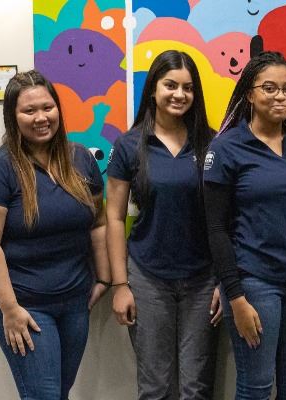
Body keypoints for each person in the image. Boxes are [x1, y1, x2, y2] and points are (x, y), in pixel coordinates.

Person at [0, 70, 109, 399]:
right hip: (25, 304)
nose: (41, 117)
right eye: (29, 110)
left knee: (59, 391)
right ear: (12, 116)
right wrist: (10, 309)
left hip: (75, 300)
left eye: (47, 107)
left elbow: (98, 221)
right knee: (43, 395)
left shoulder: (80, 159)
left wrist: (103, 278)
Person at [203, 51, 286, 400]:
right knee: (256, 387)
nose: (281, 96)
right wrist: (236, 297)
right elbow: (215, 228)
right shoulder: (226, 148)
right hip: (254, 284)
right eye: (270, 88)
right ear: (249, 93)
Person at [105, 50, 218, 399]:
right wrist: (119, 285)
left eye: (187, 87)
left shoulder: (211, 142)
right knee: (154, 388)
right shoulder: (129, 145)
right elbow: (113, 217)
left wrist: (224, 282)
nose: (179, 95)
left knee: (196, 388)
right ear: (153, 88)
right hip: (147, 278)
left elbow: (226, 218)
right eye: (170, 85)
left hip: (203, 279)